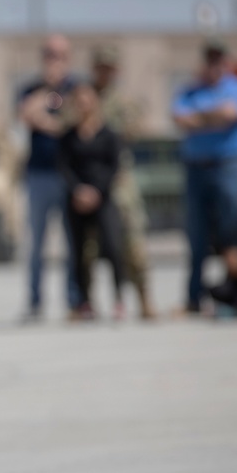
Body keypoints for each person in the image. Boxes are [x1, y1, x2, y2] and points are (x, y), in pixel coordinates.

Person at [171, 39, 237, 316]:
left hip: (227, 166)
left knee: (231, 233)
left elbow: (234, 115)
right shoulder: (190, 91)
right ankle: (194, 298)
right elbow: (180, 118)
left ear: (225, 62)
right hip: (196, 168)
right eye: (209, 60)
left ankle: (234, 295)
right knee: (196, 235)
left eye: (218, 60)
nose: (213, 66)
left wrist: (200, 118)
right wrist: (216, 116)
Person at [88, 45, 157, 319]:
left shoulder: (123, 102)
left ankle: (144, 298)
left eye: (110, 68)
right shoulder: (84, 98)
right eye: (101, 67)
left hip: (120, 180)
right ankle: (88, 303)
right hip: (92, 180)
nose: (105, 73)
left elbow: (136, 129)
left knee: (133, 241)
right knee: (90, 246)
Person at [18, 33, 80, 321]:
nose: (54, 60)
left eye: (59, 55)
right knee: (37, 244)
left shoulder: (76, 88)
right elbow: (24, 114)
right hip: (39, 174)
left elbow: (74, 120)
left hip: (69, 174)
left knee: (72, 242)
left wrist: (46, 121)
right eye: (48, 54)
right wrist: (45, 99)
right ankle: (34, 301)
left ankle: (74, 300)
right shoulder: (31, 87)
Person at [58, 81, 127, 320]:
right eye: (79, 101)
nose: (84, 105)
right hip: (77, 200)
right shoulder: (68, 136)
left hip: (102, 198)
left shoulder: (109, 134)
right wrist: (78, 190)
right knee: (79, 253)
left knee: (113, 247)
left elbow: (114, 166)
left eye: (88, 100)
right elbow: (65, 167)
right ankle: (85, 302)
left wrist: (97, 191)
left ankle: (119, 299)